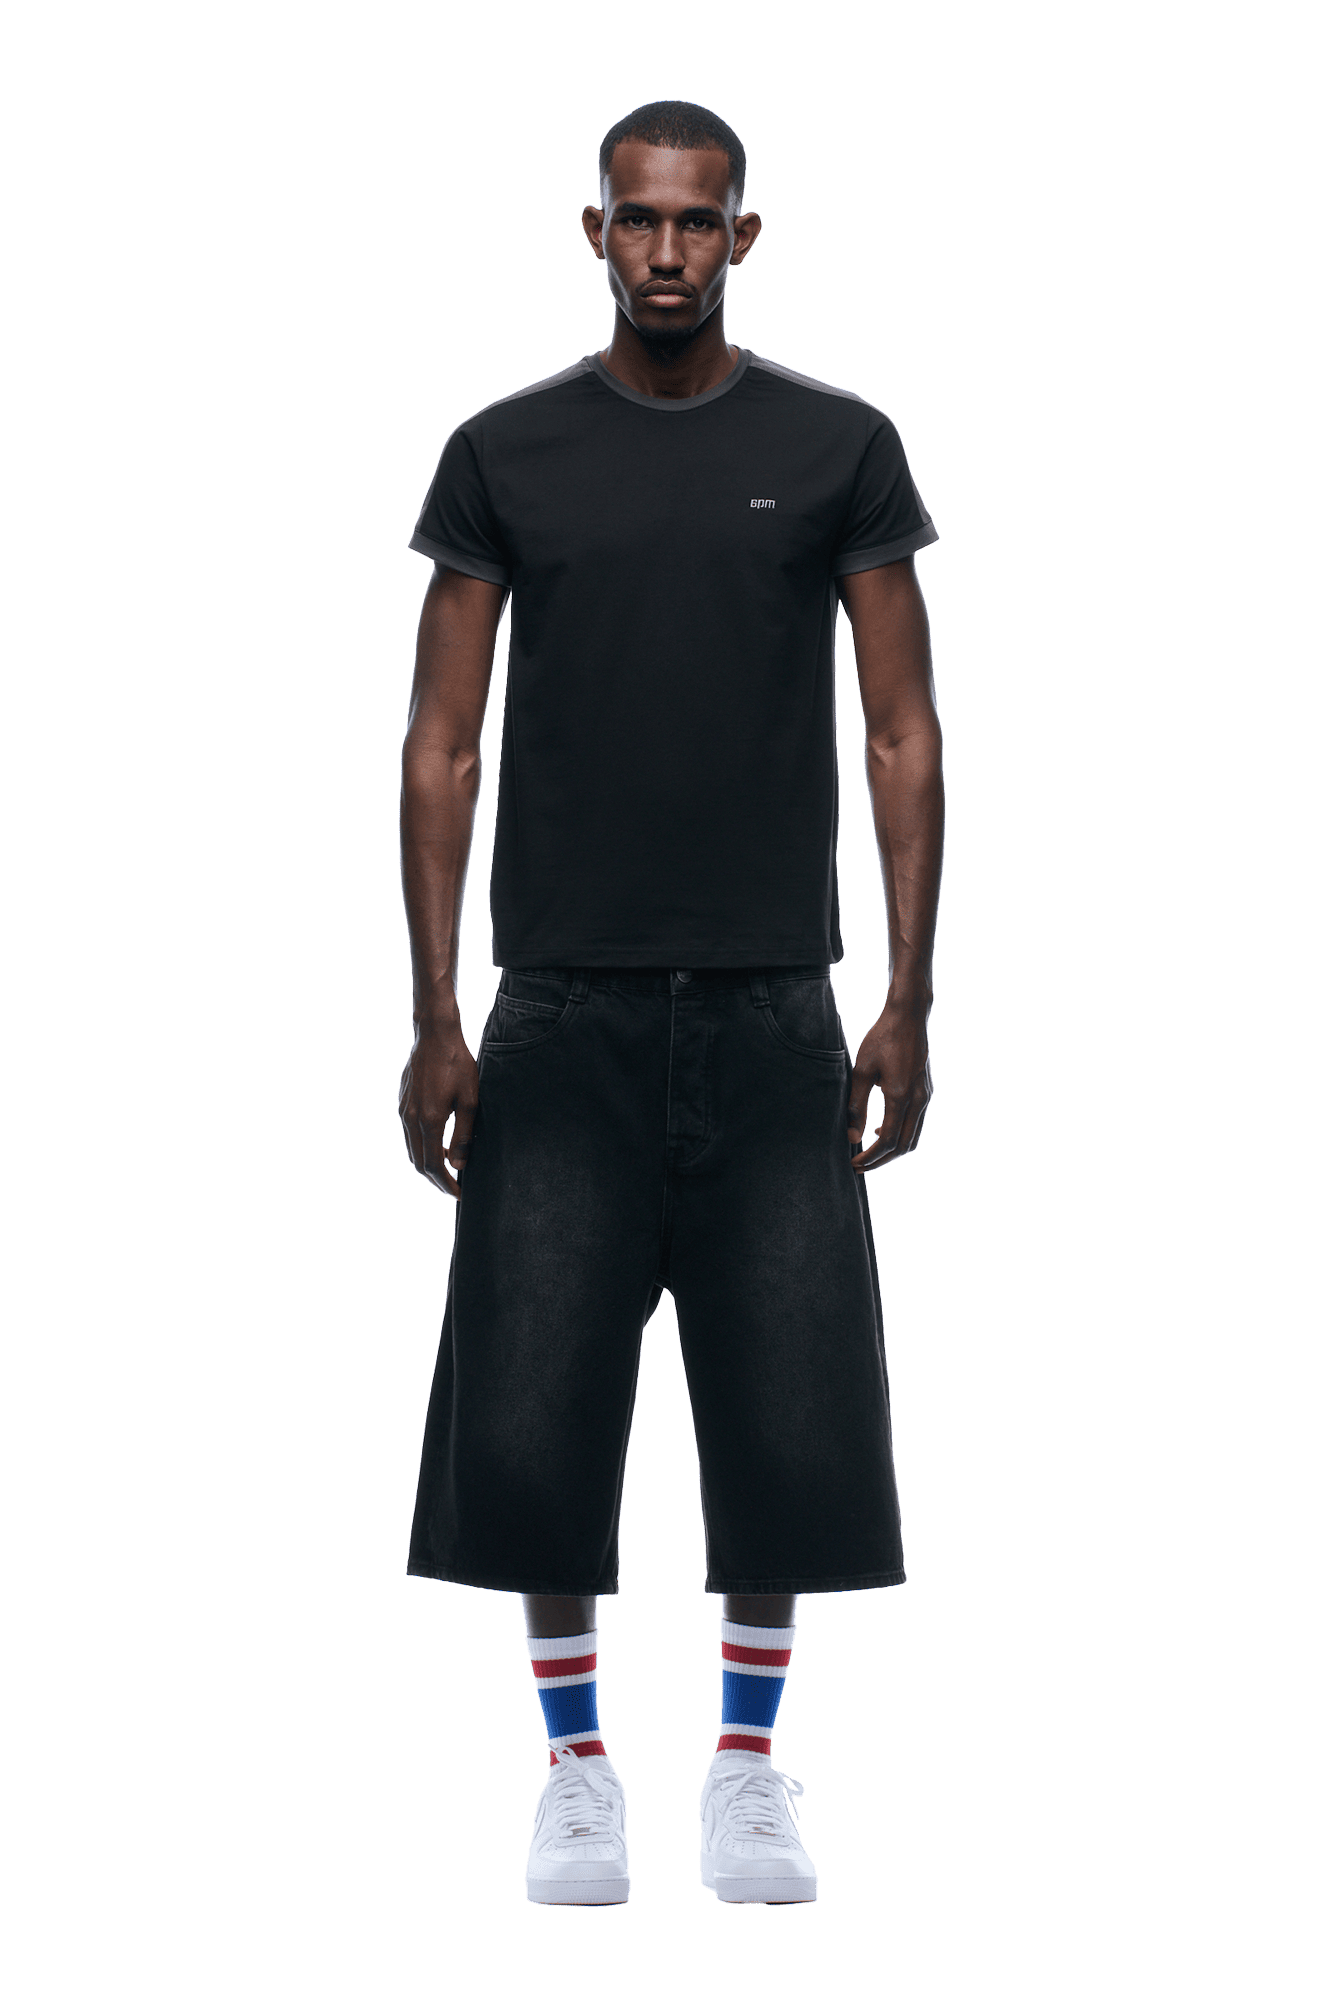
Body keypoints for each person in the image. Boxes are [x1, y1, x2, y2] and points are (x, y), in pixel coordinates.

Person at [397, 99, 944, 1909]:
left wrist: (906, 995)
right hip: (561, 1005)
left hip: (780, 1001)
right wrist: (439, 1011)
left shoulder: (839, 444)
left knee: (787, 1405)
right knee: (532, 1408)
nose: (665, 250)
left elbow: (902, 732)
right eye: (638, 219)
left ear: (742, 237)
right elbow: (442, 744)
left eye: (697, 222)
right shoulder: (506, 452)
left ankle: (746, 1771)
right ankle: (574, 1774)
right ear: (595, 230)